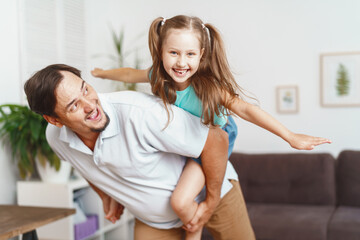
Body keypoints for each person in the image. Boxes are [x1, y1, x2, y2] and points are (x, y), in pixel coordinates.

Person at [91, 15, 332, 240]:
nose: (181, 62)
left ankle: (194, 232)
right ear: (160, 51)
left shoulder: (208, 87)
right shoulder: (158, 76)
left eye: (190, 54)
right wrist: (103, 73)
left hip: (214, 141)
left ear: (201, 55)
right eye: (173, 52)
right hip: (185, 140)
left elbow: (246, 109)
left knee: (181, 202)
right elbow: (130, 74)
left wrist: (290, 136)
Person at [24, 63, 256, 240]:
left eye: (85, 89)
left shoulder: (140, 113)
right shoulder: (56, 138)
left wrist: (211, 203)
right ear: (54, 120)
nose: (90, 105)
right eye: (74, 105)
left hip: (214, 194)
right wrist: (106, 194)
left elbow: (217, 139)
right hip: (154, 221)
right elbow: (83, 164)